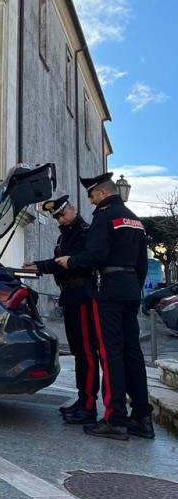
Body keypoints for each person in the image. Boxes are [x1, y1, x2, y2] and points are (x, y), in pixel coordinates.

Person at [57, 172, 154, 441]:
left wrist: (71, 262)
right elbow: (142, 262)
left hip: (109, 290)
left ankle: (114, 418)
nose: (89, 200)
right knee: (133, 353)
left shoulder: (104, 216)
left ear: (101, 193)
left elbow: (95, 254)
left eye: (90, 195)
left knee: (111, 354)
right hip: (131, 288)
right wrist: (134, 286)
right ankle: (142, 418)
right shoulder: (134, 218)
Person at [24, 196, 99, 425]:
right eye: (56, 216)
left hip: (83, 296)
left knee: (87, 353)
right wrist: (38, 265)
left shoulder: (84, 232)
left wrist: (42, 266)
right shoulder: (66, 234)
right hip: (71, 296)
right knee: (78, 353)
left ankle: (89, 406)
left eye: (61, 214)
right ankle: (82, 399)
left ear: (72, 210)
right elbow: (59, 261)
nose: (58, 218)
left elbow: (72, 262)